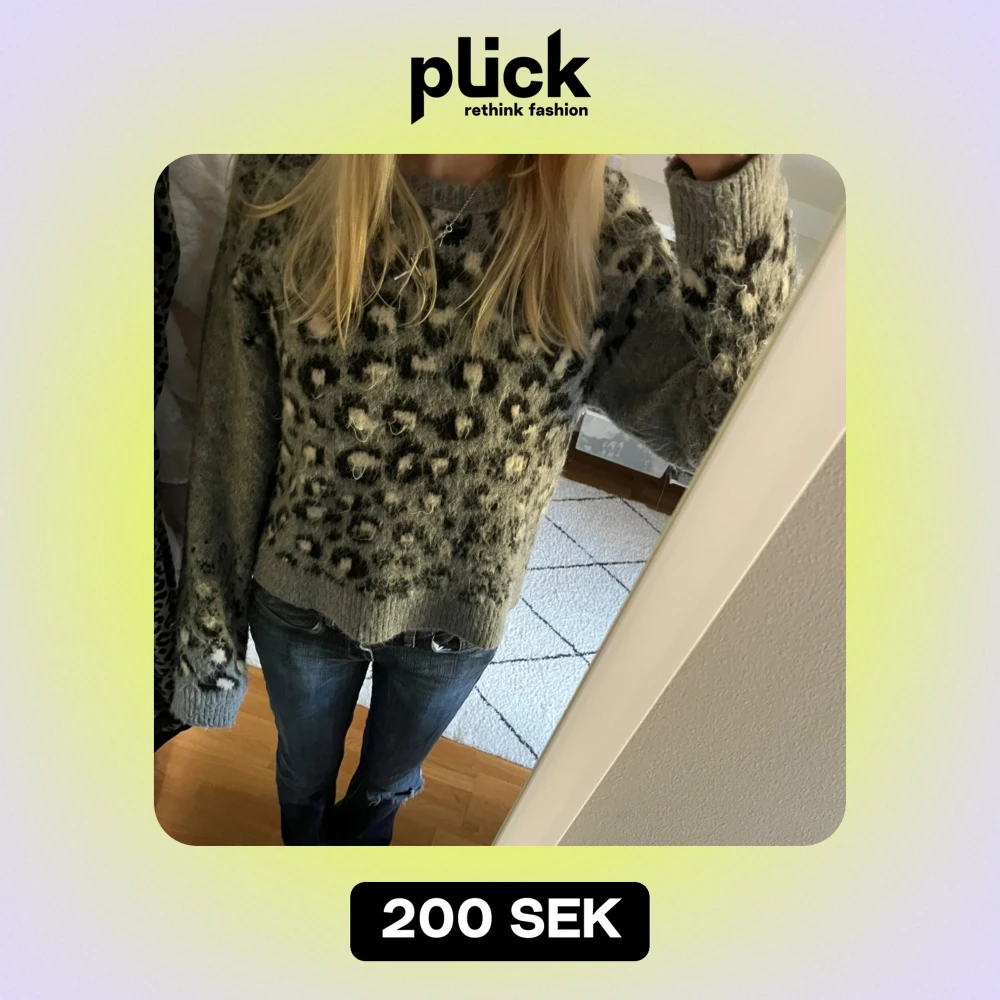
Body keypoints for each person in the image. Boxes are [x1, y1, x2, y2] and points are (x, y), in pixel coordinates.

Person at [170, 152, 795, 845]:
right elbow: (233, 431)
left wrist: (727, 169)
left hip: (457, 618)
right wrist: (210, 649)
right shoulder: (288, 177)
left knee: (383, 792)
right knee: (301, 778)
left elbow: (732, 431)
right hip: (298, 603)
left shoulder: (600, 235)